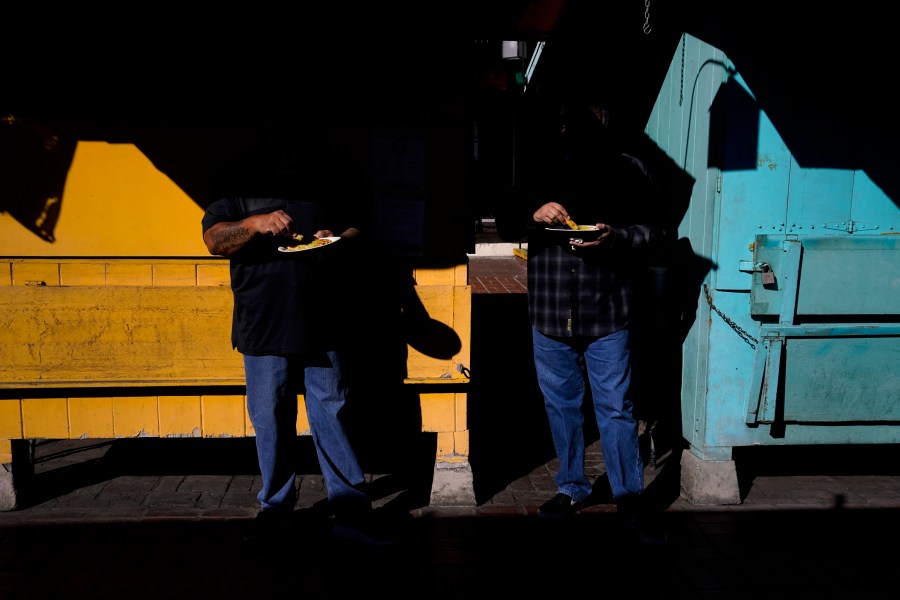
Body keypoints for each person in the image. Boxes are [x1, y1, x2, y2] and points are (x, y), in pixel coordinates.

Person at [201, 121, 400, 546]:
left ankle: (348, 507)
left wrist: (336, 237)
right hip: (262, 319)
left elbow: (357, 227)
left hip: (325, 317)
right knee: (270, 416)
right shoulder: (238, 179)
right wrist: (253, 224)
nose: (293, 150)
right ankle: (275, 504)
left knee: (332, 409)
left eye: (299, 142)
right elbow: (214, 240)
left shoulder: (328, 175)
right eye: (285, 142)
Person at [496, 98, 671, 544]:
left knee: (616, 409)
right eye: (568, 127)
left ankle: (630, 498)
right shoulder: (538, 170)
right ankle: (572, 489)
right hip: (550, 312)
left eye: (588, 126)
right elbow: (503, 220)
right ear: (559, 130)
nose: (574, 135)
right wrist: (532, 215)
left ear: (604, 129)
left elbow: (655, 231)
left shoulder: (627, 170)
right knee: (561, 406)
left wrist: (617, 237)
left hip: (608, 309)